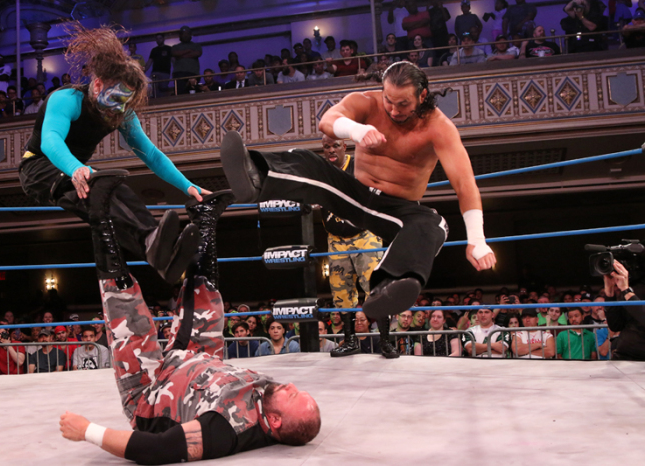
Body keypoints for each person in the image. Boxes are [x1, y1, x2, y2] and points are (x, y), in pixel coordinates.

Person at [220, 61, 495, 331]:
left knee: (434, 225)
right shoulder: (367, 103)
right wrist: (356, 130)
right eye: (389, 100)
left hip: (395, 209)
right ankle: (255, 175)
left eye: (403, 104)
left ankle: (388, 286)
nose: (394, 110)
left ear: (422, 96)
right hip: (354, 193)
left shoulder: (439, 128)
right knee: (307, 161)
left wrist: (477, 239)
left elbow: (464, 183)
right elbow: (327, 121)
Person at [59, 187, 320, 463]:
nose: (290, 385)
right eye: (298, 390)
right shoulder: (271, 395)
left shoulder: (225, 430)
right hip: (195, 362)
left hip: (151, 393)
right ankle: (204, 218)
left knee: (127, 311)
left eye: (292, 396)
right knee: (208, 308)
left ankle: (99, 214)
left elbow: (157, 449)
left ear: (275, 422)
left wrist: (87, 431)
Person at [18, 25, 207, 287]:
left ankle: (156, 247)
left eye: (125, 101)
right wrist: (75, 168)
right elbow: (51, 141)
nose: (118, 107)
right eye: (116, 97)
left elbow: (150, 154)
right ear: (97, 84)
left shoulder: (121, 113)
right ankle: (145, 247)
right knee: (97, 189)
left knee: (118, 189)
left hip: (77, 171)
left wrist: (187, 185)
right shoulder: (67, 99)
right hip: (39, 168)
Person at [317, 135, 394, 358]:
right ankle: (350, 341)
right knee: (341, 293)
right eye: (326, 147)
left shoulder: (360, 165)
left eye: (335, 146)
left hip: (364, 235)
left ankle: (386, 342)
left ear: (344, 147)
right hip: (335, 238)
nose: (331, 150)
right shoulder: (322, 171)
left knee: (375, 288)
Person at [603, 259, 645, 360]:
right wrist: (610, 293)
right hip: (624, 355)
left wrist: (626, 291)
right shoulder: (633, 288)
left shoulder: (628, 291)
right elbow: (615, 325)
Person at [171, 26, 202, 95]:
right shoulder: (175, 47)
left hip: (193, 72)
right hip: (179, 73)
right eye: (183, 34)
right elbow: (174, 53)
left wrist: (181, 55)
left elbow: (198, 53)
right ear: (180, 35)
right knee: (180, 93)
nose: (185, 35)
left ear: (190, 35)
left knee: (194, 93)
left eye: (187, 33)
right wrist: (188, 50)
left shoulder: (196, 45)